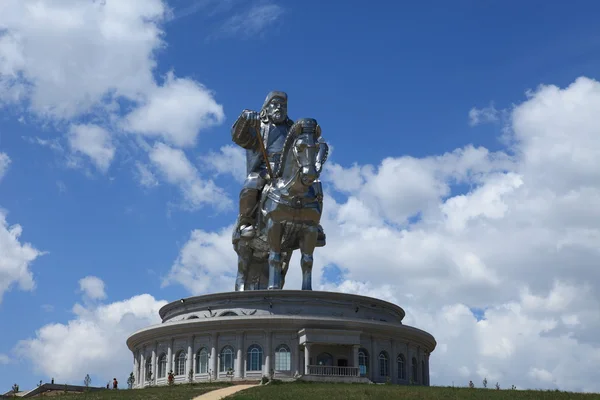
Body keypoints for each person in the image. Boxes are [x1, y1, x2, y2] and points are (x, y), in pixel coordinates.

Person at [231, 91, 325, 240]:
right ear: (267, 107)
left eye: (283, 105)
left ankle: (314, 224)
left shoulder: (293, 128)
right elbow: (239, 138)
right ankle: (245, 222)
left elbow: (314, 145)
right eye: (275, 104)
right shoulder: (259, 125)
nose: (279, 108)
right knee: (251, 183)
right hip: (266, 168)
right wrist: (244, 119)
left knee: (315, 185)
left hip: (290, 169)